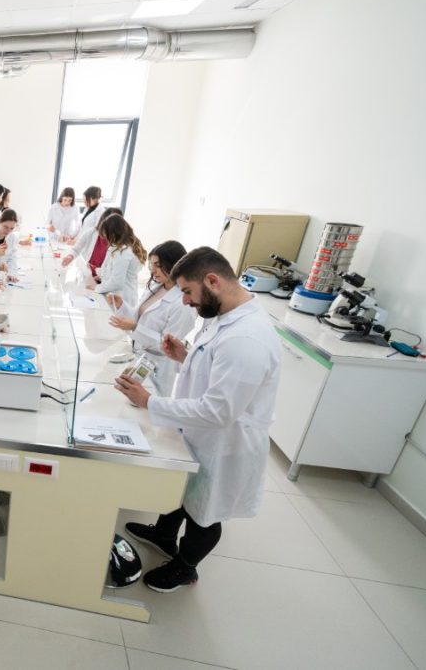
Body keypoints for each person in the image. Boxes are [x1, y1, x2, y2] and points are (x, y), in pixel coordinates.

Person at [114, 246, 281, 593]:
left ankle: (185, 568)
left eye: (188, 291)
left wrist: (150, 401)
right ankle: (163, 535)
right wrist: (185, 355)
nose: (185, 301)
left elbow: (219, 411)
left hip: (224, 443)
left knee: (204, 512)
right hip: (198, 433)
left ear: (213, 281)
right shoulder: (226, 316)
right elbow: (218, 369)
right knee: (183, 489)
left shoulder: (246, 338)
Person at [108, 240, 195, 395]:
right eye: (151, 265)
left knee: (146, 406)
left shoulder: (183, 304)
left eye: (158, 265)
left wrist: (135, 328)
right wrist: (122, 306)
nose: (153, 270)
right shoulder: (157, 286)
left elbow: (168, 345)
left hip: (158, 368)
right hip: (137, 357)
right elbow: (139, 318)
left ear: (174, 265)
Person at [93, 215, 146, 305]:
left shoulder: (123, 251)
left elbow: (116, 282)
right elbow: (113, 270)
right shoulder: (122, 248)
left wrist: (96, 288)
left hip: (122, 299)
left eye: (106, 235)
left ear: (114, 233)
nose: (106, 239)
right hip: (120, 296)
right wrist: (100, 274)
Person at [62, 207, 124, 283]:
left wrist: (101, 275)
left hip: (105, 279)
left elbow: (116, 268)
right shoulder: (91, 232)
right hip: (87, 274)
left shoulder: (120, 243)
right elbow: (76, 249)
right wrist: (70, 256)